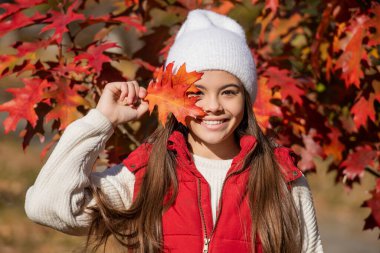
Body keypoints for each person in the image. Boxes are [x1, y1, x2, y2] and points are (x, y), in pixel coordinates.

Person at [25, 9, 323, 253]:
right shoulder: (147, 173)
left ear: (246, 99)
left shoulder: (281, 178)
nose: (213, 106)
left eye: (229, 92)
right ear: (176, 99)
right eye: (197, 93)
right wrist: (102, 120)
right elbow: (47, 206)